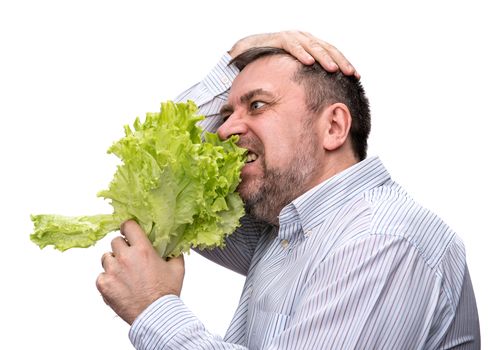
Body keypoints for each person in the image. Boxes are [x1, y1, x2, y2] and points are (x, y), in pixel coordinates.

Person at [96, 31, 480, 349]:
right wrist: (234, 59)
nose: (224, 130)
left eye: (257, 105)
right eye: (227, 113)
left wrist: (154, 308)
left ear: (333, 128)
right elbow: (162, 178)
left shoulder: (380, 239)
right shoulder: (281, 228)